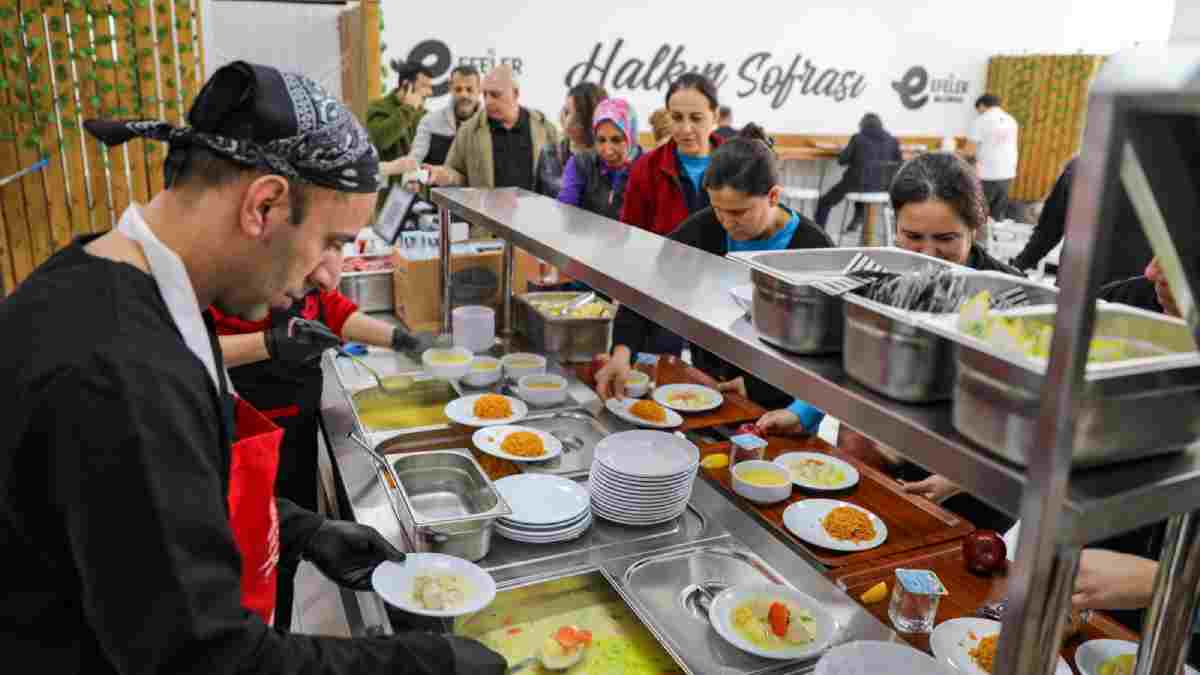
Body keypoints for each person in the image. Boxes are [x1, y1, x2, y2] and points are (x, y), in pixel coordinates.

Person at [0, 61, 504, 673]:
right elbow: (209, 660)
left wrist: (299, 529)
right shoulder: (118, 372)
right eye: (333, 242)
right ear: (263, 205)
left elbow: (160, 503)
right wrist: (425, 665)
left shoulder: (126, 289)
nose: (329, 275)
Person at [757, 152, 1018, 531]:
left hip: (974, 479)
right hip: (884, 450)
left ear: (975, 228)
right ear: (895, 227)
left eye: (946, 239)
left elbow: (1021, 418)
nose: (928, 255)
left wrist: (968, 475)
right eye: (913, 237)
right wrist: (805, 412)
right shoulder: (876, 278)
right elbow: (843, 356)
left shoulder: (1008, 298)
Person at [210, 252, 431, 629]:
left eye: (336, 248)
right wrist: (269, 342)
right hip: (248, 440)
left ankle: (281, 609)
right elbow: (195, 350)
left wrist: (402, 339)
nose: (325, 277)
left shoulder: (309, 286)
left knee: (289, 539)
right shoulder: (234, 288)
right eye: (322, 245)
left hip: (297, 432)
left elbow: (338, 312)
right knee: (254, 547)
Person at [594, 124, 833, 407]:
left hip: (783, 401)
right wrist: (622, 352)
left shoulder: (814, 248)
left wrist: (763, 390)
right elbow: (648, 285)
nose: (726, 222)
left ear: (773, 196)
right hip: (708, 385)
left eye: (738, 212)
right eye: (718, 209)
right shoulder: (704, 227)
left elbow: (825, 351)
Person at [1011, 156, 1154, 285]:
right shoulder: (1077, 169)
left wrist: (1018, 266)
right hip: (1127, 295)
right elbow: (1048, 231)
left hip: (1080, 290)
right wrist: (1018, 267)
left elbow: (1048, 231)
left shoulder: (1078, 168)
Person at [620, 73, 725, 236]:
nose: (686, 129)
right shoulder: (645, 168)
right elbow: (630, 235)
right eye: (677, 118)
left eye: (696, 118)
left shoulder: (738, 165)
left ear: (715, 116)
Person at [428, 64, 559, 191]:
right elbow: (456, 172)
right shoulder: (468, 131)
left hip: (534, 212)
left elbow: (558, 178)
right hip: (485, 213)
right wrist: (447, 176)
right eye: (485, 95)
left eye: (495, 95)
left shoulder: (545, 128)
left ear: (516, 93)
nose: (488, 101)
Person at [382, 65, 481, 176]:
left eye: (469, 89)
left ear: (479, 89)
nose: (463, 94)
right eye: (458, 89)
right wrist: (410, 179)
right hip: (437, 191)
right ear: (450, 88)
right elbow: (415, 157)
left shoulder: (491, 123)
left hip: (480, 192)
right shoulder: (430, 121)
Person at [558, 97, 643, 220]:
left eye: (616, 140)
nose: (608, 150)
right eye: (601, 140)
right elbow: (565, 210)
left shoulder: (648, 167)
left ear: (631, 136)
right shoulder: (580, 164)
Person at [814, 112, 902, 228]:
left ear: (862, 125)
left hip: (857, 184)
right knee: (865, 185)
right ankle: (859, 215)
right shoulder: (893, 141)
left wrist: (844, 151)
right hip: (883, 187)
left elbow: (842, 160)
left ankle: (820, 234)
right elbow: (899, 163)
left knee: (824, 202)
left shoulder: (858, 138)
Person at [367, 60, 433, 204]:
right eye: (424, 86)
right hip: (387, 201)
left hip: (418, 199)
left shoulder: (424, 115)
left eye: (430, 87)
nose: (430, 92)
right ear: (406, 85)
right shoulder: (378, 108)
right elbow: (380, 141)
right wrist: (407, 109)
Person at [536, 82, 607, 198]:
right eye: (564, 110)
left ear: (586, 119)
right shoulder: (549, 153)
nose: (561, 116)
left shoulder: (609, 159)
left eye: (568, 112)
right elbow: (537, 199)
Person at [964, 93, 1019, 221]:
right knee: (997, 215)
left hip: (987, 174)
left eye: (978, 110)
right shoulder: (1011, 120)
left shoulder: (981, 121)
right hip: (1008, 173)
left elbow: (969, 152)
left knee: (979, 213)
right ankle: (992, 239)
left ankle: (978, 240)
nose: (978, 113)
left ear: (982, 106)